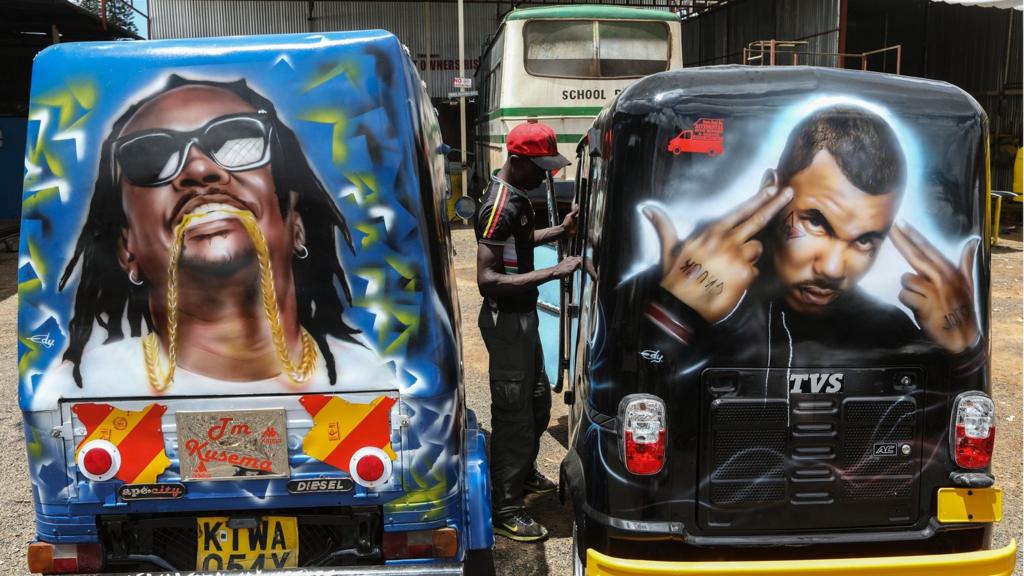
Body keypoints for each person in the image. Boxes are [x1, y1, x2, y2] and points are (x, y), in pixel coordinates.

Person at [31, 76, 394, 410]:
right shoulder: (83, 388)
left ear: (295, 225)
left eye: (238, 139)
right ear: (128, 251)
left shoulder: (372, 380)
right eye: (151, 156)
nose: (199, 169)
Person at [635, 104, 983, 380]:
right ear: (770, 191)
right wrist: (675, 315)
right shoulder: (666, 288)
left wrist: (964, 354)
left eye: (865, 241)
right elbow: (626, 393)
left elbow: (935, 443)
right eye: (816, 222)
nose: (832, 268)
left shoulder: (888, 331)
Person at [475, 122, 581, 542]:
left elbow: (517, 242)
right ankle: (505, 507)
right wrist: (554, 270)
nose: (548, 175)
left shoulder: (517, 198)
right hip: (507, 324)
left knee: (537, 405)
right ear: (517, 161)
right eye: (541, 168)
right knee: (514, 418)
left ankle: (521, 473)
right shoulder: (499, 205)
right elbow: (486, 278)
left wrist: (560, 232)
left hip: (524, 318)